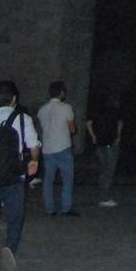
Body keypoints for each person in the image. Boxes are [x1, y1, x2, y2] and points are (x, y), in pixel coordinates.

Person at [0, 81, 42, 271]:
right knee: (15, 216)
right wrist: (34, 161)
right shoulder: (22, 119)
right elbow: (34, 146)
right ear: (14, 99)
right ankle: (10, 246)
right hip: (14, 176)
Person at [37, 81, 78, 217]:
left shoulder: (42, 110)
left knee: (48, 179)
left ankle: (50, 209)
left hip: (47, 148)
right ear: (62, 93)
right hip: (63, 146)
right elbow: (72, 129)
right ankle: (66, 207)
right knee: (67, 178)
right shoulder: (66, 107)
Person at [87, 97, 124, 208]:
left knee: (103, 168)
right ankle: (104, 197)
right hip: (110, 143)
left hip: (100, 143)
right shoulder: (115, 112)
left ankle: (102, 193)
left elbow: (88, 123)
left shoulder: (98, 111)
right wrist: (118, 137)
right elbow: (120, 124)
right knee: (109, 170)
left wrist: (93, 136)